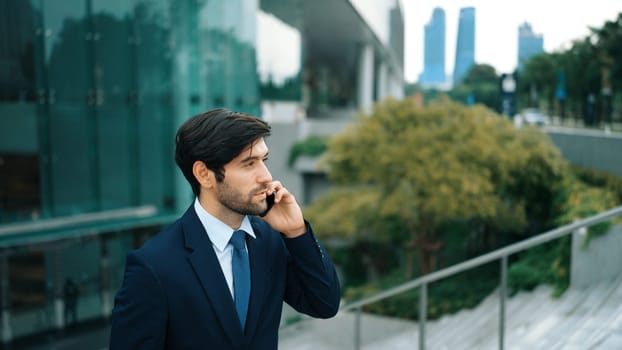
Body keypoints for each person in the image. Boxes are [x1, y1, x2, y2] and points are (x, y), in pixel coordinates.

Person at [109, 108, 341, 349]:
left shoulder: (270, 241)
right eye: (249, 163)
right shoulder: (153, 266)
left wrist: (296, 232)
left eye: (264, 160)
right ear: (204, 174)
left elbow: (324, 304)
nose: (266, 176)